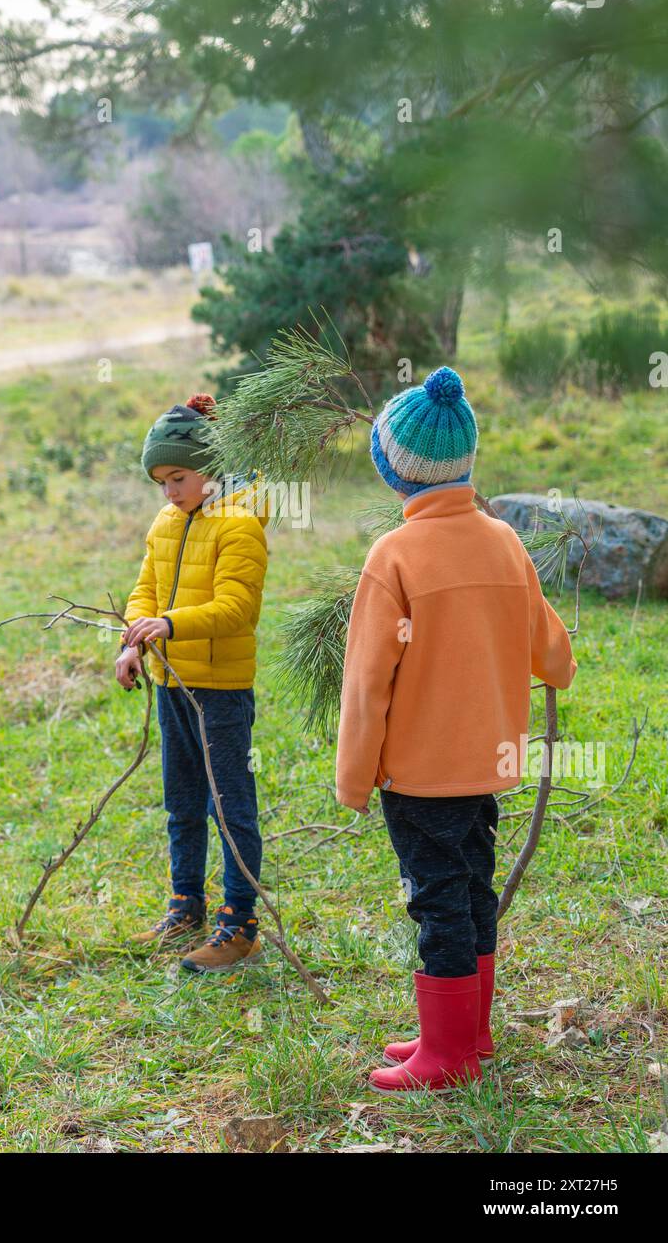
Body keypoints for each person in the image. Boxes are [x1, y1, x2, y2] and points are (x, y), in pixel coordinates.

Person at [335, 366, 577, 1092]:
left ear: (393, 471)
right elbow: (552, 653)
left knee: (436, 900)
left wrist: (354, 777)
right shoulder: (504, 541)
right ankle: (468, 1032)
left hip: (423, 770)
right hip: (489, 762)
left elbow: (367, 683)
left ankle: (449, 1057)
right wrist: (554, 668)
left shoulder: (395, 556)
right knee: (471, 891)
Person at [116, 392, 269, 974]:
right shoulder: (165, 522)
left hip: (219, 691)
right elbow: (144, 592)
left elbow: (237, 608)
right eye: (160, 482)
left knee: (229, 806)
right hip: (171, 683)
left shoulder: (241, 523)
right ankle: (186, 905)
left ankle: (241, 926)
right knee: (181, 801)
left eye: (178, 477)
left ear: (211, 467)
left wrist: (171, 624)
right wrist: (134, 641)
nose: (169, 492)